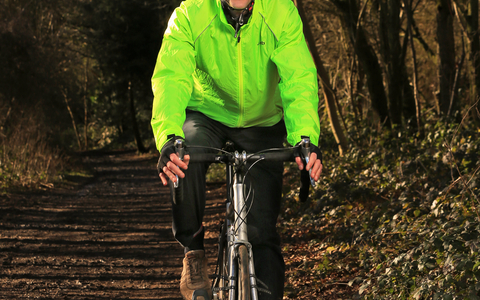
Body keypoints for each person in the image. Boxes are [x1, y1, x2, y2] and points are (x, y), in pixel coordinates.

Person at [151, 0, 322, 299]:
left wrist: (305, 138)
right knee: (183, 153)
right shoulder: (192, 12)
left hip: (262, 121)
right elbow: (171, 76)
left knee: (263, 231)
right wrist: (168, 136)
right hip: (206, 113)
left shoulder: (281, 11)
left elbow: (298, 78)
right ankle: (193, 252)